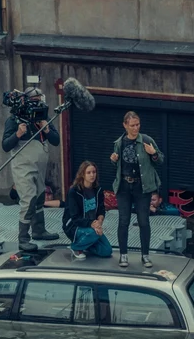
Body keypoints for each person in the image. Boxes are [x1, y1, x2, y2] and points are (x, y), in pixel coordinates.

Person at [2, 88, 60, 252]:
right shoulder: (13, 120)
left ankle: (39, 230)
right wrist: (18, 134)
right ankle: (23, 239)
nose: (38, 103)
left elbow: (56, 141)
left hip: (40, 166)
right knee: (28, 200)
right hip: (23, 166)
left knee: (40, 195)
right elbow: (5, 145)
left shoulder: (44, 117)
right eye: (34, 100)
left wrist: (47, 129)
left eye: (39, 99)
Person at [110, 111, 164, 269]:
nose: (135, 128)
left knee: (143, 221)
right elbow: (118, 164)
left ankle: (145, 255)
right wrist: (113, 160)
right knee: (123, 220)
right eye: (132, 125)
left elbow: (160, 159)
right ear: (125, 125)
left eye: (138, 124)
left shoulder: (147, 140)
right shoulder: (120, 142)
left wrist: (153, 153)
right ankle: (123, 255)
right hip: (124, 186)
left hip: (142, 186)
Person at [63, 161, 112, 260]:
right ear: (82, 174)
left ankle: (84, 245)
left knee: (107, 251)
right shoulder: (74, 191)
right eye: (88, 172)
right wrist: (93, 224)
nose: (92, 175)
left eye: (94, 172)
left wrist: (99, 222)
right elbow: (75, 217)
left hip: (92, 225)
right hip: (74, 226)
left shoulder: (98, 190)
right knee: (93, 233)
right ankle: (75, 247)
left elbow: (101, 210)